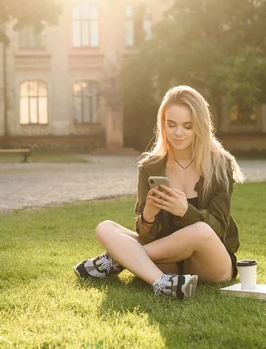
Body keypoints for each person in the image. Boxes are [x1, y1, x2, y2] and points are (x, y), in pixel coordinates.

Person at [74, 85, 245, 300]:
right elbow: (147, 236)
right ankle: (163, 283)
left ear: (200, 126)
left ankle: (118, 260)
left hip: (210, 263)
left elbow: (218, 229)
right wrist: (148, 216)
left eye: (187, 126)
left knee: (200, 230)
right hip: (167, 264)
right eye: (171, 124)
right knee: (105, 228)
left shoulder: (220, 164)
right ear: (162, 124)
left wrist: (185, 211)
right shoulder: (150, 167)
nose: (178, 133)